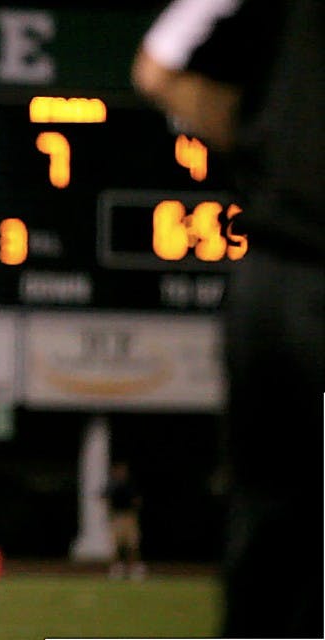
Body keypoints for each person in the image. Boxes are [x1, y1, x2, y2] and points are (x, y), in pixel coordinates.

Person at [132, 0, 323, 636]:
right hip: (291, 267)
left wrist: (267, 148)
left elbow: (157, 69)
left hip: (287, 265)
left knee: (271, 535)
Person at [102, 461, 145, 581]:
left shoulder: (130, 484)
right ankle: (117, 568)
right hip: (116, 517)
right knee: (116, 545)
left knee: (132, 544)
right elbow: (105, 496)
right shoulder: (112, 484)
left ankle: (134, 568)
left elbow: (137, 500)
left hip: (129, 516)